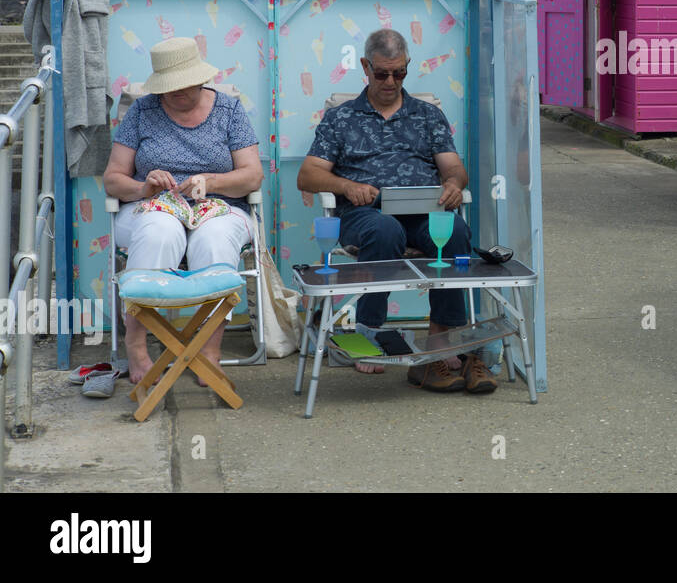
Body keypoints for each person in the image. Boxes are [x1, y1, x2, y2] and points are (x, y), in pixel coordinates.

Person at [297, 28, 495, 394]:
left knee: (455, 231)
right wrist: (347, 187)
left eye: (400, 73)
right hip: (364, 214)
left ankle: (441, 339)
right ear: (365, 67)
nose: (391, 81)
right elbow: (307, 176)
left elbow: (454, 168)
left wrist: (453, 184)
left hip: (421, 209)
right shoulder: (341, 118)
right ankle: (369, 336)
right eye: (382, 73)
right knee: (385, 231)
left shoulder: (427, 115)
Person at [103, 37, 263, 384]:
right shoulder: (142, 112)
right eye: (167, 86)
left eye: (182, 85)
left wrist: (210, 181)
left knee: (215, 238)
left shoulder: (229, 111)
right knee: (160, 230)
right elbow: (113, 180)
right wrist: (143, 188)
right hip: (153, 207)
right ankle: (137, 344)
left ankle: (208, 349)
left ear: (200, 79)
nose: (174, 92)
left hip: (219, 206)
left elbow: (252, 175)